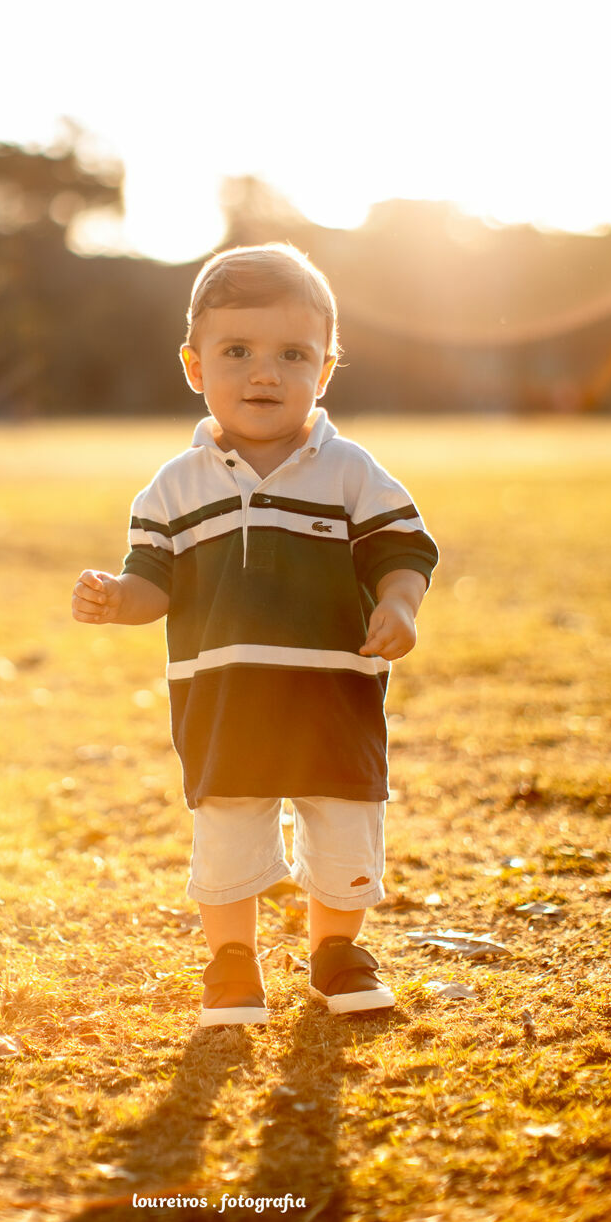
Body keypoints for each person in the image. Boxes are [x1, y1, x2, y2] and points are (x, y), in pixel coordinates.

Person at [71, 244, 438, 1026]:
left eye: (292, 354)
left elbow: (402, 550)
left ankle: (337, 951)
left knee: (343, 821)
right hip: (225, 702)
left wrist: (399, 606)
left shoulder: (349, 471)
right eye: (237, 352)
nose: (264, 373)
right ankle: (231, 963)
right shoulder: (174, 486)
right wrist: (116, 598)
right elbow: (153, 585)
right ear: (195, 365)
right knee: (230, 827)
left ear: (326, 369)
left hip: (331, 694)